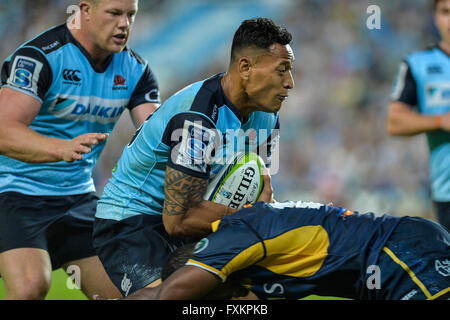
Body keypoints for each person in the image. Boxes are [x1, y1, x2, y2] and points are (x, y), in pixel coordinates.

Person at [93, 17, 294, 297]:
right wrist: (253, 219)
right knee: (173, 296)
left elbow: (259, 194)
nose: (290, 83)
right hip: (135, 221)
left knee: (259, 294)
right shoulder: (198, 118)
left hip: (195, 218)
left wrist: (300, 217)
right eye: (282, 71)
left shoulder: (267, 118)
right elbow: (179, 220)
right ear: (246, 68)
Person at [0, 0, 161, 300]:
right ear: (85, 11)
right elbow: (3, 132)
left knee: (128, 294)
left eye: (131, 15)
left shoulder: (136, 70)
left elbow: (156, 138)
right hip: (14, 194)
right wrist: (59, 148)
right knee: (30, 287)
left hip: (77, 200)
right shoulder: (39, 57)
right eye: (114, 13)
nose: (125, 24)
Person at [118, 200, 450, 300]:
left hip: (401, 254)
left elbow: (165, 297)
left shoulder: (233, 237)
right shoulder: (252, 268)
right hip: (392, 262)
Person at [387, 0, 450, 230]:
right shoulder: (418, 64)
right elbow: (395, 122)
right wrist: (440, 121)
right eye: (446, 12)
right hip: (447, 192)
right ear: (435, 17)